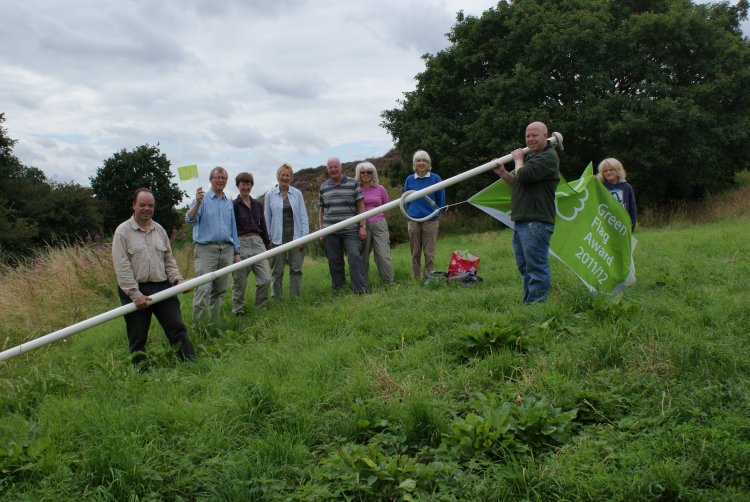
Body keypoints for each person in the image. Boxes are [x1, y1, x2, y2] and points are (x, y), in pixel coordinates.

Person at [112, 188, 196, 366]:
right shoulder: (122, 232)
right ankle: (141, 373)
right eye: (142, 205)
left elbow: (168, 261)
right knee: (138, 336)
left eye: (150, 205)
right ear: (134, 205)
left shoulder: (159, 231)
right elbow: (122, 267)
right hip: (135, 290)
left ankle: (191, 364)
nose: (146, 209)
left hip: (162, 287)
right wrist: (135, 295)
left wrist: (178, 280)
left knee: (177, 328)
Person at [494, 121, 560, 304]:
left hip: (536, 221)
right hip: (523, 220)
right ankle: (530, 303)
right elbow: (518, 184)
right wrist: (503, 173)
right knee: (525, 266)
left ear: (545, 135)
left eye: (534, 135)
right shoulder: (533, 157)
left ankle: (537, 307)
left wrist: (518, 159)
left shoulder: (547, 157)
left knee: (536, 267)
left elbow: (522, 175)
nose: (530, 139)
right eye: (527, 136)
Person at [185, 166, 241, 322]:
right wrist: (197, 203)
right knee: (203, 288)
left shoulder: (228, 201)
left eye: (223, 178)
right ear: (211, 180)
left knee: (220, 289)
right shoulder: (201, 199)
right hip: (206, 249)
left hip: (226, 249)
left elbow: (233, 227)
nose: (220, 180)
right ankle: (199, 327)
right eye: (217, 177)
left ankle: (213, 324)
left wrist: (236, 251)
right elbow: (189, 219)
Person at [318, 156, 369, 294]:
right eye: (330, 167)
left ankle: (360, 290)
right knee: (335, 261)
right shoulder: (323, 187)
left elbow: (361, 206)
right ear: (328, 169)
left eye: (336, 166)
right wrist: (321, 230)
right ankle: (339, 290)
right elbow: (321, 210)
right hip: (330, 231)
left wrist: (362, 226)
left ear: (341, 167)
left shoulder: (352, 183)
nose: (333, 169)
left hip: (351, 230)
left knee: (354, 257)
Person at [264, 163, 309, 298]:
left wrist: (304, 238)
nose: (285, 178)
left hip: (296, 237)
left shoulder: (297, 194)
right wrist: (268, 240)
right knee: (277, 271)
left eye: (287, 175)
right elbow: (267, 219)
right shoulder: (269, 195)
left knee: (296, 269)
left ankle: (295, 297)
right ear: (278, 176)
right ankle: (277, 297)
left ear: (291, 178)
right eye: (282, 175)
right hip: (277, 239)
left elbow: (303, 216)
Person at [231, 172, 272, 315]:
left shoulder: (257, 205)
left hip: (258, 242)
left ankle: (260, 308)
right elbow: (231, 228)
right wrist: (235, 251)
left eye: (248, 184)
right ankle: (238, 311)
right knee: (240, 282)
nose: (245, 187)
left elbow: (264, 226)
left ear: (251, 186)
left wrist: (268, 247)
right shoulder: (233, 205)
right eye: (243, 184)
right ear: (238, 186)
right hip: (241, 244)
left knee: (266, 279)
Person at [403, 150, 446, 280]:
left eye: (424, 161)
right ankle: (416, 278)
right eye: (418, 160)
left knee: (429, 252)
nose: (421, 163)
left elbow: (441, 199)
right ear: (414, 164)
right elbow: (405, 200)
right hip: (413, 220)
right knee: (415, 252)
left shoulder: (435, 178)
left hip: (431, 220)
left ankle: (428, 278)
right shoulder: (409, 179)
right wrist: (412, 212)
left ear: (428, 164)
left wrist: (437, 213)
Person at [355, 162, 395, 286]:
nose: (366, 174)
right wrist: (361, 226)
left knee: (383, 256)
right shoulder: (356, 189)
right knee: (363, 257)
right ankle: (363, 286)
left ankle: (389, 283)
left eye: (369, 172)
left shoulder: (380, 189)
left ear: (373, 174)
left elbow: (387, 207)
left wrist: (382, 221)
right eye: (363, 172)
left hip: (379, 225)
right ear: (359, 174)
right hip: (363, 227)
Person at [597, 158, 637, 232]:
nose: (608, 172)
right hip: (605, 226)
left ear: (618, 170)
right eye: (605, 171)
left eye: (611, 170)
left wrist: (632, 225)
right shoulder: (599, 187)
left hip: (622, 226)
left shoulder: (626, 187)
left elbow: (632, 208)